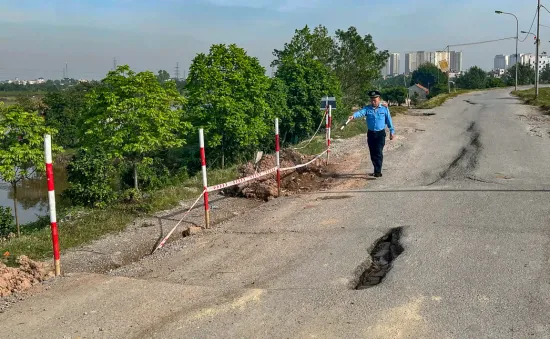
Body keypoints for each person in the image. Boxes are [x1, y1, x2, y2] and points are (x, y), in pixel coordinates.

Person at [348, 90, 395, 178]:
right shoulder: (367, 108)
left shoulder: (384, 109)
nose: (373, 102)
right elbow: (360, 112)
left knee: (378, 152)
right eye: (372, 100)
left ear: (379, 99)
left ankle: (378, 171)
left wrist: (392, 131)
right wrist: (353, 116)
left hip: (380, 134)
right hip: (371, 134)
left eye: (375, 100)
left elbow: (389, 121)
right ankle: (375, 169)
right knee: (372, 153)